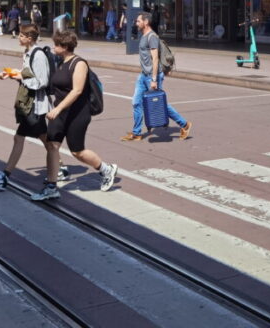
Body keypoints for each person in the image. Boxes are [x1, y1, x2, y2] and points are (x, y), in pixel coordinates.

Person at [33, 30, 117, 201]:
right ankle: (51, 186)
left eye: (56, 45)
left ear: (64, 47)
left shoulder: (79, 64)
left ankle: (106, 169)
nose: (53, 47)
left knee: (77, 152)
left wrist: (58, 108)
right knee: (52, 146)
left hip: (77, 113)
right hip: (60, 113)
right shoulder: (60, 62)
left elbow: (77, 90)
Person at [0, 24, 69, 189]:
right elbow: (28, 74)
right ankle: (61, 168)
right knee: (46, 141)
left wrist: (18, 77)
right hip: (30, 104)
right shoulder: (28, 53)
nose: (19, 38)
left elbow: (41, 82)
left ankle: (4, 177)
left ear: (30, 38)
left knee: (27, 139)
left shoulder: (38, 55)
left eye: (22, 36)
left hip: (35, 106)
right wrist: (12, 75)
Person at [121, 11, 192, 142]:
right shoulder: (144, 36)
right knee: (136, 103)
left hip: (151, 77)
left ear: (145, 22)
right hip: (143, 75)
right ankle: (137, 133)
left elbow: (155, 59)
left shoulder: (152, 37)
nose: (136, 23)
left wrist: (154, 79)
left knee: (160, 104)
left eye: (138, 21)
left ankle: (184, 124)